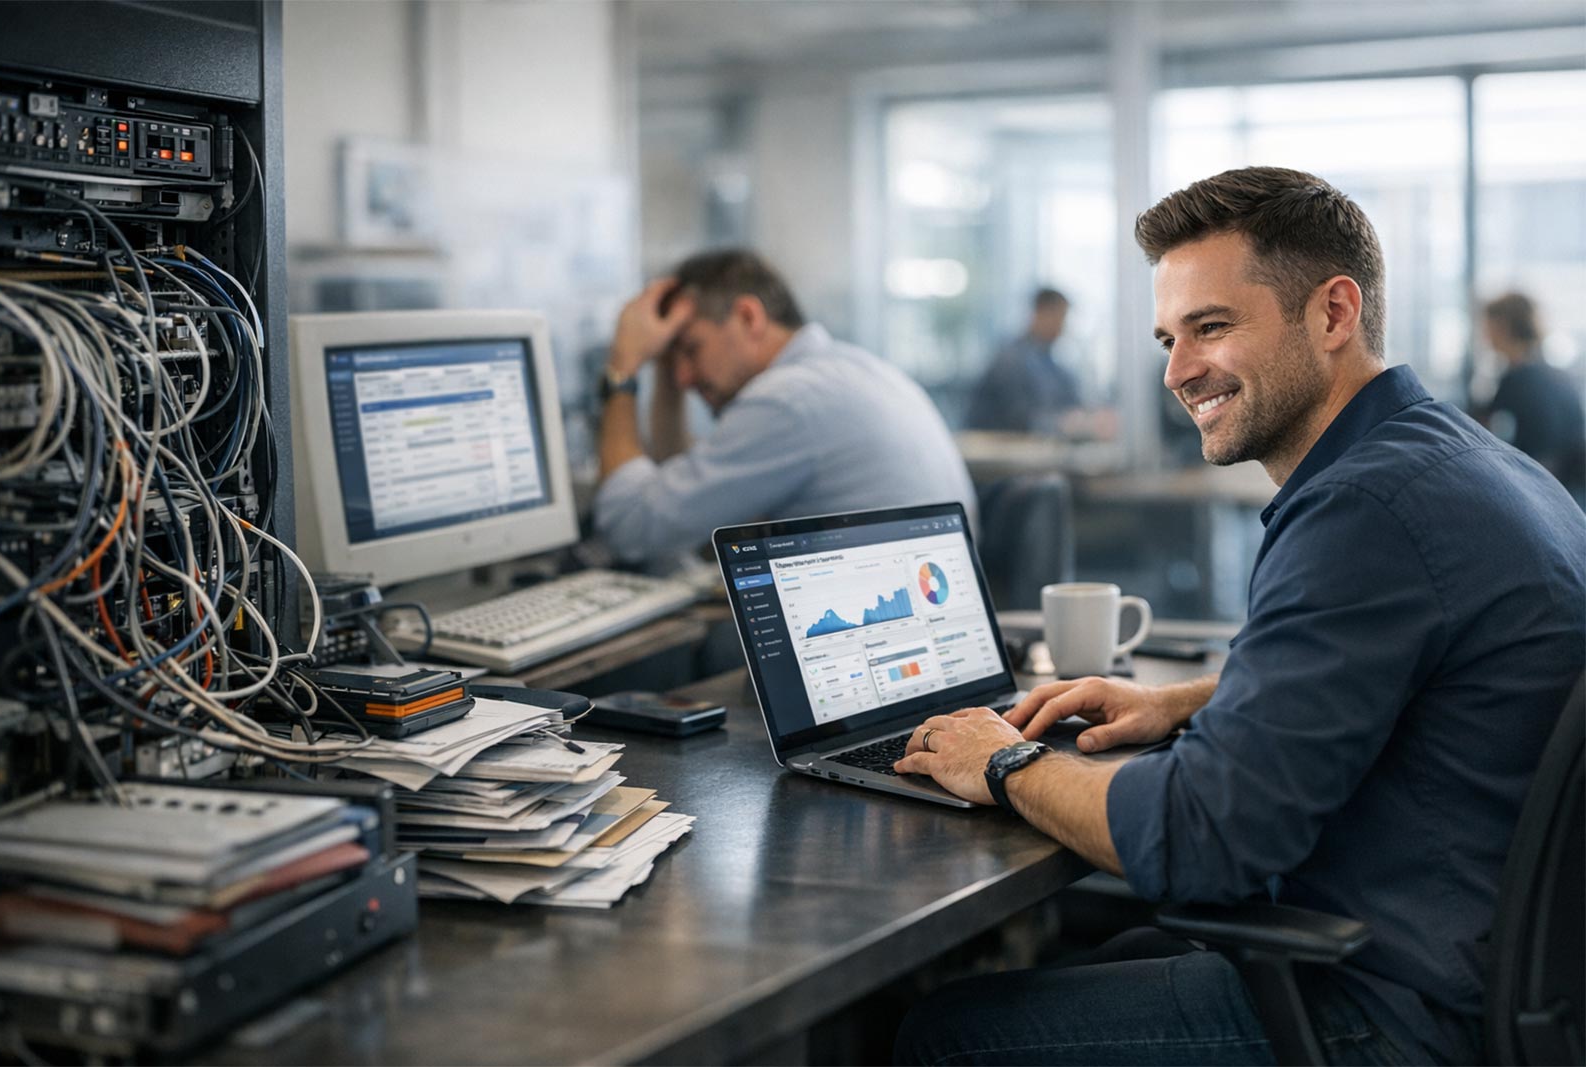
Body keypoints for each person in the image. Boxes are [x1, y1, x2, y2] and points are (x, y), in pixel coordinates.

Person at [891, 167, 1586, 1065]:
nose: (1178, 371)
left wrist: (1006, 760)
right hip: (1483, 965)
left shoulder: (1362, 510)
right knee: (1117, 951)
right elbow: (1431, 666)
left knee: (942, 1035)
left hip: (1391, 1010)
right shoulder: (1466, 460)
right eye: (1167, 337)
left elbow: (1204, 837)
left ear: (1334, 314)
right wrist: (1186, 701)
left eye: (1211, 327)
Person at [593, 248, 975, 563]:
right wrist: (665, 372)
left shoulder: (786, 402)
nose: (683, 378)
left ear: (748, 317)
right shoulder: (855, 369)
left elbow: (630, 526)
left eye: (692, 349)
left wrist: (622, 369)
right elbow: (685, 501)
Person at [1480, 291, 1585, 499]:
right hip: (1570, 493)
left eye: (1487, 325)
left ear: (1502, 326)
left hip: (1542, 489)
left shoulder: (1517, 380)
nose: (1484, 334)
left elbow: (1481, 433)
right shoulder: (1555, 374)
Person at [966, 288, 1082, 433]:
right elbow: (1020, 418)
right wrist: (1062, 423)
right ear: (1041, 313)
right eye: (1060, 317)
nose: (1063, 327)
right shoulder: (1011, 360)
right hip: (1000, 448)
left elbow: (1071, 401)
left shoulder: (1050, 364)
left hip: (1031, 448)